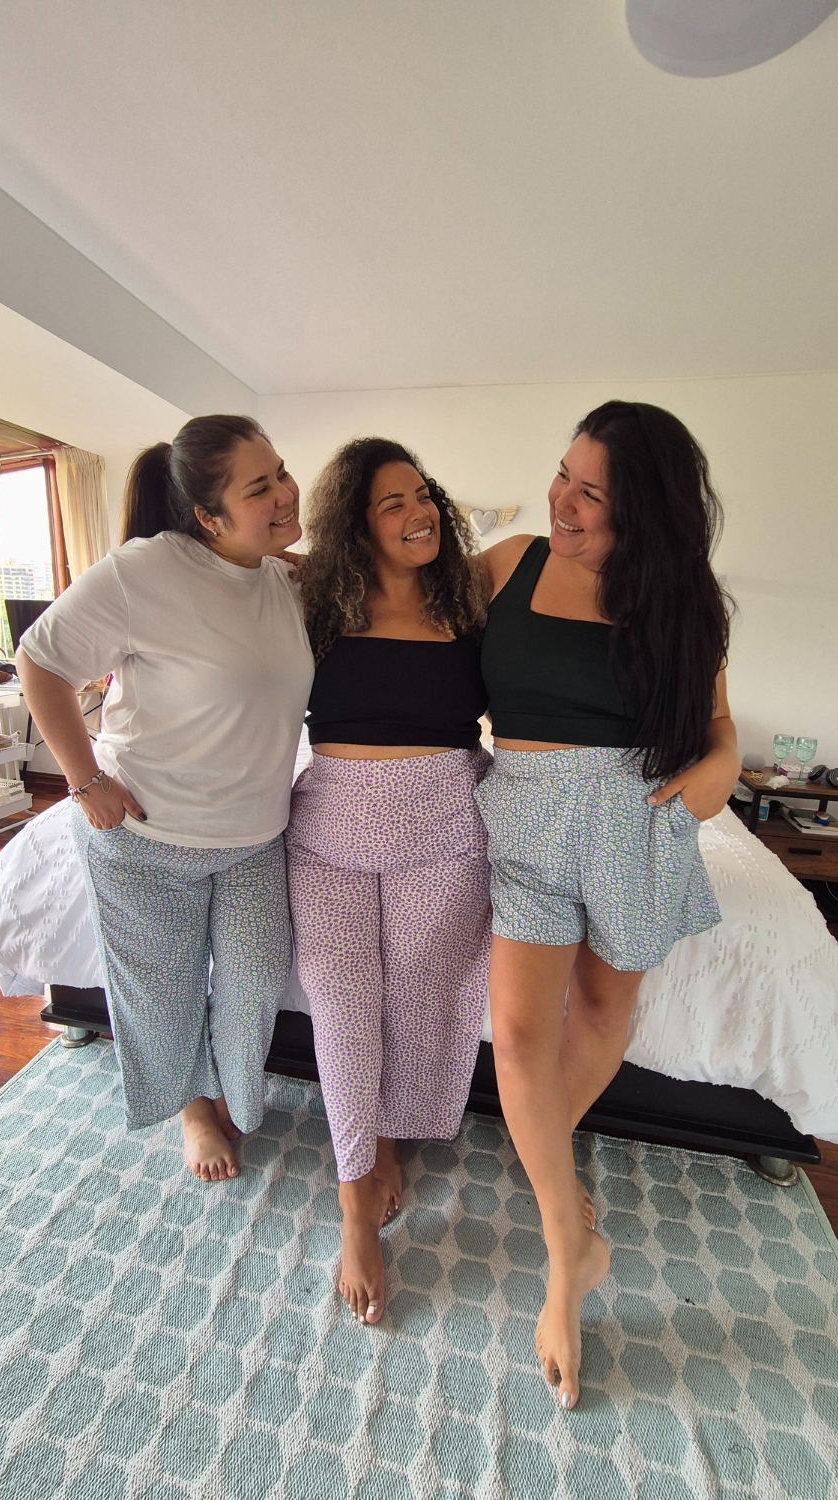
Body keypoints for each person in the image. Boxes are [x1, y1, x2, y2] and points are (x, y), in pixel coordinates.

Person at [475, 401, 739, 1410]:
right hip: (526, 818)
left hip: (635, 818)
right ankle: (568, 1250)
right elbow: (398, 605)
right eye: (564, 475)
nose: (564, 501)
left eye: (593, 493)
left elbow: (719, 731)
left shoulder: (686, 603)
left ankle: (552, 1177)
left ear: (647, 514)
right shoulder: (508, 564)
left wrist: (709, 779)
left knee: (598, 1011)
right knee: (515, 1036)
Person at [15, 415, 314, 1182]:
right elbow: (39, 660)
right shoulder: (144, 572)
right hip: (147, 837)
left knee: (254, 984)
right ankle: (191, 1111)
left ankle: (235, 1094)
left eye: (282, 472)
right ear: (207, 516)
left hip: (255, 838)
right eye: (260, 487)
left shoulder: (283, 580)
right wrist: (84, 781)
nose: (286, 493)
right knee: (162, 994)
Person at [287, 438, 491, 1325]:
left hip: (444, 829)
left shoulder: (470, 603)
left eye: (424, 495)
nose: (419, 514)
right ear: (353, 526)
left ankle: (392, 1140)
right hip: (329, 830)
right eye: (392, 503)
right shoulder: (309, 602)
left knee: (417, 993)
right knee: (340, 1002)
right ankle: (353, 1203)